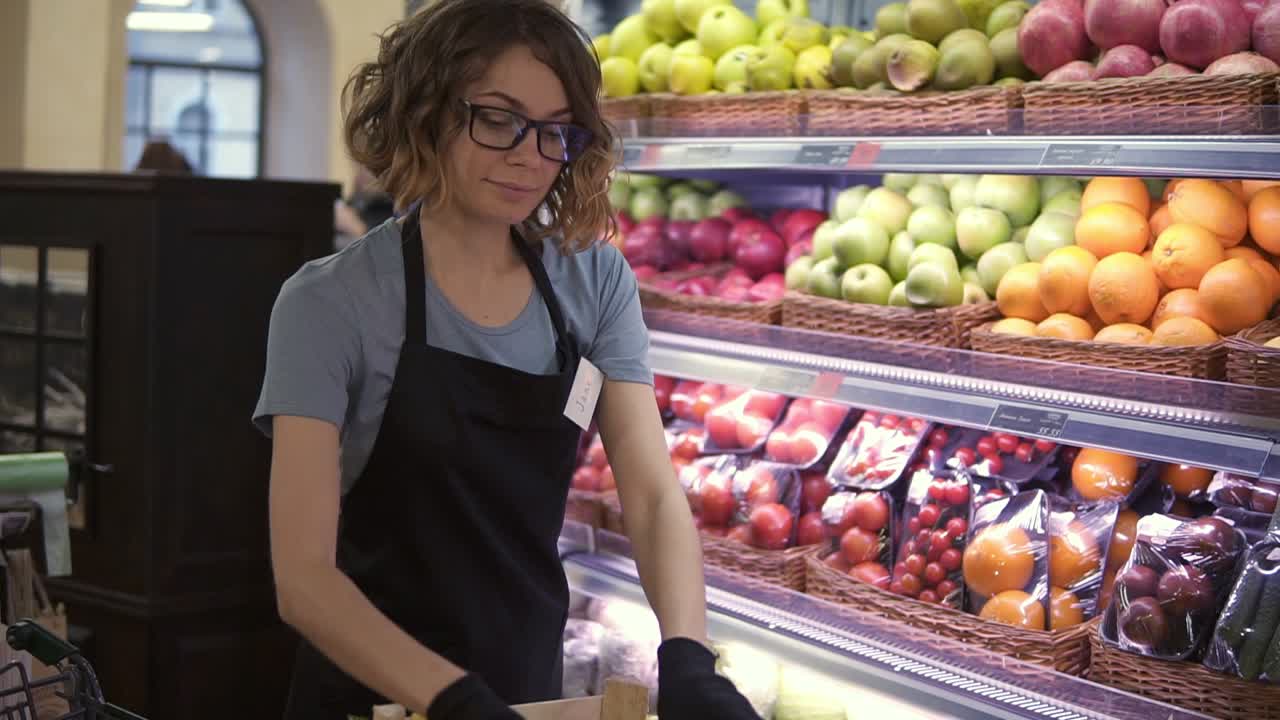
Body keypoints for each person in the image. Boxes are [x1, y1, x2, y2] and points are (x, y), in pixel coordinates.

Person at [252, 2, 760, 718]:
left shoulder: (593, 282)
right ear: (424, 112)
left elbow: (648, 496)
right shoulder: (329, 303)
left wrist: (687, 655)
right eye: (498, 118)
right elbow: (303, 580)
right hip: (371, 694)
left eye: (556, 131)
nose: (529, 155)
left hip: (526, 686)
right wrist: (450, 698)